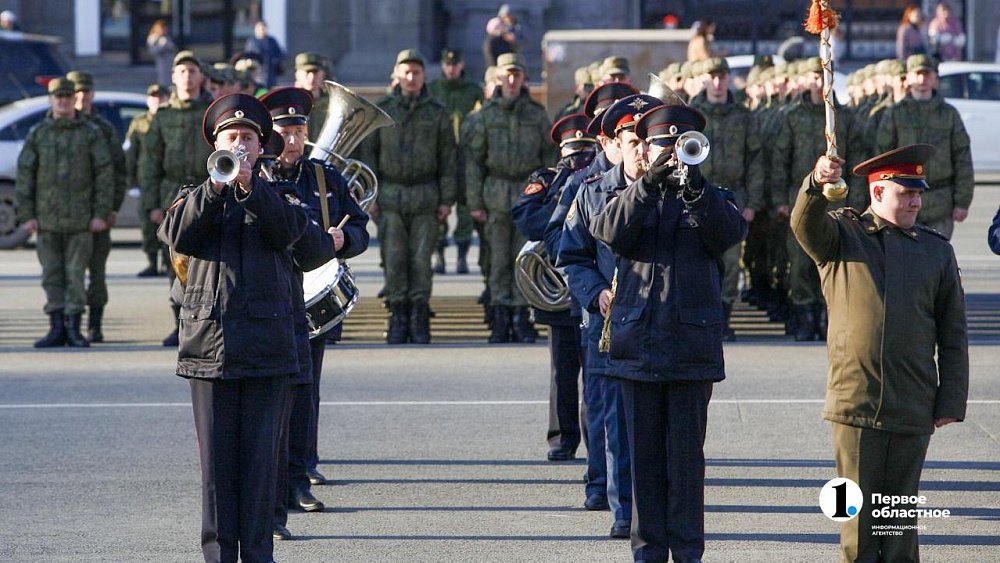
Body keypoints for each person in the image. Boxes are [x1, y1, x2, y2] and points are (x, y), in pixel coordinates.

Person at [791, 144, 968, 563]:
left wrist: (950, 399)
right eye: (906, 193)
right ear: (877, 192)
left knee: (899, 525)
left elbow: (953, 333)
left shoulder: (935, 250)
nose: (916, 202)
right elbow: (803, 223)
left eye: (918, 193)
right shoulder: (842, 236)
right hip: (856, 402)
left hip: (912, 403)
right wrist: (817, 183)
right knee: (857, 524)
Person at [589, 103, 747, 562]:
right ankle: (648, 553)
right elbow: (607, 231)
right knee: (644, 463)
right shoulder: (629, 195)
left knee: (687, 463)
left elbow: (728, 233)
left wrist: (695, 188)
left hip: (691, 349)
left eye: (681, 146)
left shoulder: (712, 196)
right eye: (663, 146)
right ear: (646, 149)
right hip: (638, 346)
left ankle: (688, 552)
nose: (672, 154)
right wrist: (648, 185)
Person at [159, 92, 310, 563]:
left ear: (261, 147)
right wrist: (216, 189)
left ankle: (260, 555)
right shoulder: (194, 195)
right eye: (231, 137)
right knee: (216, 471)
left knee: (262, 468)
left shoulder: (280, 196)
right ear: (216, 145)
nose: (240, 144)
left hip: (267, 348)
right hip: (209, 348)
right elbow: (177, 235)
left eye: (248, 137)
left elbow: (294, 236)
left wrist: (251, 189)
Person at [260, 87, 370, 540]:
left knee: (306, 391)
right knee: (273, 398)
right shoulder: (255, 174)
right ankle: (269, 489)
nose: (293, 139)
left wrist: (346, 240)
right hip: (266, 298)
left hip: (311, 300)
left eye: (299, 130)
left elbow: (360, 227)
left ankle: (299, 478)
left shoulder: (326, 178)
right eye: (285, 131)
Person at [560, 93, 663, 540]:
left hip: (660, 323)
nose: (641, 150)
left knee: (660, 425)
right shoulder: (591, 191)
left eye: (647, 140)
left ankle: (656, 510)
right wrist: (596, 293)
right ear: (616, 144)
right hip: (609, 326)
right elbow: (572, 256)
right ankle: (625, 512)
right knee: (614, 422)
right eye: (632, 141)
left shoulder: (674, 189)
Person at [549, 82, 638, 518]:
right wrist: (594, 292)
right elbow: (563, 243)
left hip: (646, 317)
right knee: (602, 407)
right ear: (606, 139)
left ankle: (631, 496)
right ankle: (601, 483)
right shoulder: (585, 184)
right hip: (598, 314)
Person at [511, 113, 595, 465]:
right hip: (557, 293)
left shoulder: (600, 177)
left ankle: (597, 439)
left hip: (591, 286)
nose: (578, 159)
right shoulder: (545, 180)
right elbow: (525, 219)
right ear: (561, 151)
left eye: (584, 152)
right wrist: (560, 209)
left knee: (596, 370)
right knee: (562, 369)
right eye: (572, 153)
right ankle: (562, 438)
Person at [359, 49, 456, 344]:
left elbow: (448, 159)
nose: (411, 78)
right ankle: (397, 314)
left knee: (421, 259)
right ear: (396, 76)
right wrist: (371, 197)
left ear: (424, 76)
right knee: (394, 258)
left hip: (426, 195)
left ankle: (418, 314)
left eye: (416, 72)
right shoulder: (382, 111)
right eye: (406, 72)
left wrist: (446, 200)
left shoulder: (438, 112)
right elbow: (369, 157)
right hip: (390, 195)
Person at [771, 56, 865, 341]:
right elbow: (779, 161)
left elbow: (857, 161)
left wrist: (857, 202)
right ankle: (804, 314)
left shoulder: (845, 117)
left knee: (835, 259)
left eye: (823, 76)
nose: (820, 82)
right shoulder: (791, 117)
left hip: (839, 201)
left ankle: (828, 315)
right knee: (800, 262)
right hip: (801, 198)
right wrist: (780, 199)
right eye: (814, 77)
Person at [465, 53, 557, 343]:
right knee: (497, 259)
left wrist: (548, 197)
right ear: (499, 78)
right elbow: (473, 163)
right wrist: (475, 202)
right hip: (495, 193)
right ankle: (500, 315)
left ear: (524, 78)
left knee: (525, 258)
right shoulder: (485, 116)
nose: (513, 80)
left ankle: (521, 315)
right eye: (508, 75)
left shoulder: (537, 115)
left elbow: (549, 159)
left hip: (528, 195)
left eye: (517, 75)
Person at [15, 78, 113, 348]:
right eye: (58, 97)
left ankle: (74, 327)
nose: (64, 101)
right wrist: (27, 214)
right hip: (47, 219)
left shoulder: (90, 133)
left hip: (81, 220)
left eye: (68, 97)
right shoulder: (39, 133)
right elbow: (25, 176)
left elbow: (104, 174)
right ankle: (56, 326)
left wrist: (101, 213)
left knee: (75, 275)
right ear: (51, 100)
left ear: (73, 100)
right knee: (52, 275)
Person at [139, 50, 215, 346]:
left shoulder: (211, 111)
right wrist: (152, 204)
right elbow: (150, 164)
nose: (187, 77)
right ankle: (180, 323)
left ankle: (208, 324)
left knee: (208, 261)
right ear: (173, 77)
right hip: (172, 194)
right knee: (176, 262)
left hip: (207, 190)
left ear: (201, 77)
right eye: (181, 71)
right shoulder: (163, 116)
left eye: (192, 71)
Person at [689, 57, 764, 340]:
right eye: (712, 77)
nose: (718, 83)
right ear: (704, 79)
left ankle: (724, 315)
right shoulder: (693, 116)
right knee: (700, 258)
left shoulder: (742, 115)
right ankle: (704, 318)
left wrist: (752, 202)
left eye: (722, 77)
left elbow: (755, 160)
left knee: (731, 261)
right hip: (700, 194)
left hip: (733, 196)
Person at [876, 54, 973, 239]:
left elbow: (962, 157)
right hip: (904, 200)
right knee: (905, 253)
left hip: (940, 202)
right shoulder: (895, 113)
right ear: (908, 78)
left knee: (938, 253)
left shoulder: (949, 114)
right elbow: (883, 154)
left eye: (927, 75)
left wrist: (962, 201)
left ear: (935, 79)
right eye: (917, 74)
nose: (922, 80)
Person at [66, 71, 128, 344]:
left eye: (86, 92)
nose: (81, 98)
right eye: (76, 92)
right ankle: (70, 324)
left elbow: (118, 170)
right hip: (68, 213)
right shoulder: (61, 125)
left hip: (97, 210)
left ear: (92, 94)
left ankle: (95, 322)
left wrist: (111, 208)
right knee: (70, 272)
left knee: (97, 272)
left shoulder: (103, 129)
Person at [429, 48, 483, 275]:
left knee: (465, 208)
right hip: (440, 156)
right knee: (439, 207)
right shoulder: (433, 88)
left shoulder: (472, 90)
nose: (451, 69)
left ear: (461, 65)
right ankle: (439, 252)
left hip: (466, 155)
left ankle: (462, 254)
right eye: (448, 64)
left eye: (455, 65)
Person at [127, 84, 170, 277]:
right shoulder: (139, 123)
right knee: (148, 224)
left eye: (161, 97)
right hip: (146, 180)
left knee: (168, 222)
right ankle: (152, 262)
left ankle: (168, 262)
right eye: (153, 97)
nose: (157, 100)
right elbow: (132, 154)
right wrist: (132, 182)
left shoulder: (170, 120)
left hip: (168, 179)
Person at [293, 52, 331, 144]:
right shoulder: (289, 104)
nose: (312, 77)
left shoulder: (333, 104)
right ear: (297, 75)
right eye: (307, 72)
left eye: (316, 72)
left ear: (323, 74)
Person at [244, 20, 285, 88]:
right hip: (258, 74)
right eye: (260, 29)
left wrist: (276, 61)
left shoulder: (272, 41)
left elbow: (281, 54)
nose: (262, 31)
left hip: (271, 74)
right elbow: (248, 56)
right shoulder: (252, 42)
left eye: (263, 29)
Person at [146, 19, 177, 88]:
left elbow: (173, 48)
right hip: (161, 61)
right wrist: (162, 46)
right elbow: (152, 50)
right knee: (163, 79)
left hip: (169, 61)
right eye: (163, 29)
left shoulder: (166, 37)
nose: (165, 30)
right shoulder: (153, 38)